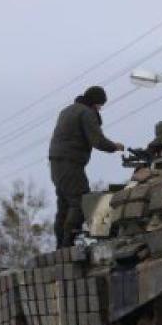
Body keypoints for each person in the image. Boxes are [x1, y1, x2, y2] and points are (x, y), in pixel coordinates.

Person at [48, 85, 123, 247]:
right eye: (100, 105)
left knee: (64, 205)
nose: (100, 109)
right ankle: (68, 243)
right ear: (95, 103)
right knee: (81, 202)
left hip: (56, 164)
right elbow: (97, 140)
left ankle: (60, 246)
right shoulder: (86, 113)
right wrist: (115, 146)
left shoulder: (67, 110)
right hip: (71, 163)